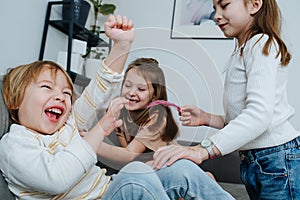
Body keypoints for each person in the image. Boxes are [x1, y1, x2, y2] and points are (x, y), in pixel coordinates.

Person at [0, 15, 234, 199]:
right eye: (47, 87)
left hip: (110, 189)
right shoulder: (14, 145)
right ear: (16, 100)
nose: (61, 97)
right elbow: (57, 179)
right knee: (136, 178)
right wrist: (98, 131)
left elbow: (99, 88)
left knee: (181, 169)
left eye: (66, 93)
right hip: (111, 192)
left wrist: (122, 45)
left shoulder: (69, 123)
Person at [152, 0, 300, 199]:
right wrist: (208, 118)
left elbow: (259, 116)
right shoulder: (244, 50)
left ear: (255, 4)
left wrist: (202, 150)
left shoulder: (261, 44)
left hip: (276, 158)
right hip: (258, 160)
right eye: (214, 9)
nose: (216, 15)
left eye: (225, 5)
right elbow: (245, 117)